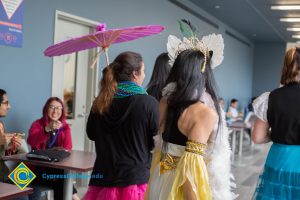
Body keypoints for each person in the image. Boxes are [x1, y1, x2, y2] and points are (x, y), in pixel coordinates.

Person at [145, 33, 236, 200]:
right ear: (204, 71)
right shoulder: (205, 113)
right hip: (180, 188)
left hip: (159, 176)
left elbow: (157, 142)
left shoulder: (165, 101)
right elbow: (190, 168)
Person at [84, 51, 159, 200]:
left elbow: (91, 134)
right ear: (135, 74)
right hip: (134, 181)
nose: (144, 76)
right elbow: (156, 141)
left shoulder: (101, 101)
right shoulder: (149, 103)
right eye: (143, 71)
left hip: (103, 178)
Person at [252, 47, 300, 199]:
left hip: (280, 159)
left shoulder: (269, 98)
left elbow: (258, 137)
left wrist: (277, 134)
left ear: (285, 67)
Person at [27, 97, 79, 200]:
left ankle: (74, 196)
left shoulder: (65, 127)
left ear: (62, 111)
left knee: (61, 178)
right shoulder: (37, 124)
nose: (55, 111)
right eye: (52, 107)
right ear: (46, 109)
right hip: (36, 168)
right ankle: (75, 197)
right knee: (62, 178)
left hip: (54, 170)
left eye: (59, 108)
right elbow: (31, 141)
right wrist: (47, 129)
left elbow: (68, 149)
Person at [0, 89, 24, 182]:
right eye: (6, 103)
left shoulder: (1, 124)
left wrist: (11, 147)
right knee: (25, 194)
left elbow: (2, 154)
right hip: (3, 177)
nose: (9, 106)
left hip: (5, 172)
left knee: (33, 188)